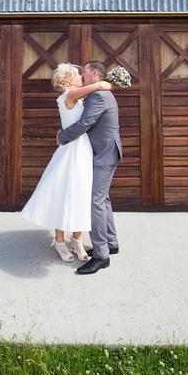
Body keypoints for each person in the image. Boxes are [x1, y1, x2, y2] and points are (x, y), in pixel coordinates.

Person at [20, 63, 112, 262]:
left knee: (80, 194)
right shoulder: (69, 95)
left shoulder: (76, 95)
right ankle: (60, 242)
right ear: (70, 80)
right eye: (78, 75)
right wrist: (103, 82)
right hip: (71, 150)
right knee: (63, 194)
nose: (81, 77)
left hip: (83, 150)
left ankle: (78, 241)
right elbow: (100, 86)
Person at [57, 61, 123, 275]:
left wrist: (62, 137)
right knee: (103, 199)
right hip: (107, 151)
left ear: (94, 73)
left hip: (104, 154)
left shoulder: (99, 96)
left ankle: (101, 255)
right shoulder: (97, 93)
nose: (82, 76)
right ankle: (111, 243)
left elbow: (85, 123)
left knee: (95, 202)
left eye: (84, 72)